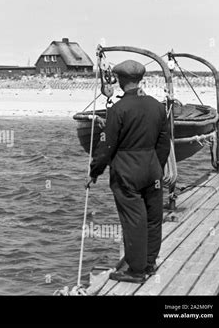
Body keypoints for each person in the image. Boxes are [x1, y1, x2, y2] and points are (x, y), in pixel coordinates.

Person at [88, 60, 171, 283]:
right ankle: (150, 263)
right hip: (152, 170)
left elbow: (106, 146)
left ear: (120, 80)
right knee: (153, 218)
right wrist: (156, 166)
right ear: (140, 79)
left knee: (134, 220)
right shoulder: (157, 106)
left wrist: (94, 171)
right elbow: (164, 143)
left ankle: (136, 271)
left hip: (127, 172)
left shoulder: (118, 110)